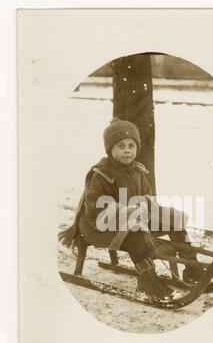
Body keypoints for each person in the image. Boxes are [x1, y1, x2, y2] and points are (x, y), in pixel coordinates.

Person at [59, 117, 198, 299]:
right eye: (121, 146)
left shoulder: (138, 171)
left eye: (131, 146)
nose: (127, 151)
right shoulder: (101, 173)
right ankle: (148, 281)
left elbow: (148, 195)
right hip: (100, 225)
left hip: (135, 219)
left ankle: (192, 268)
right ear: (110, 149)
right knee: (135, 234)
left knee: (174, 222)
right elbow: (95, 206)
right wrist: (127, 210)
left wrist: (146, 204)